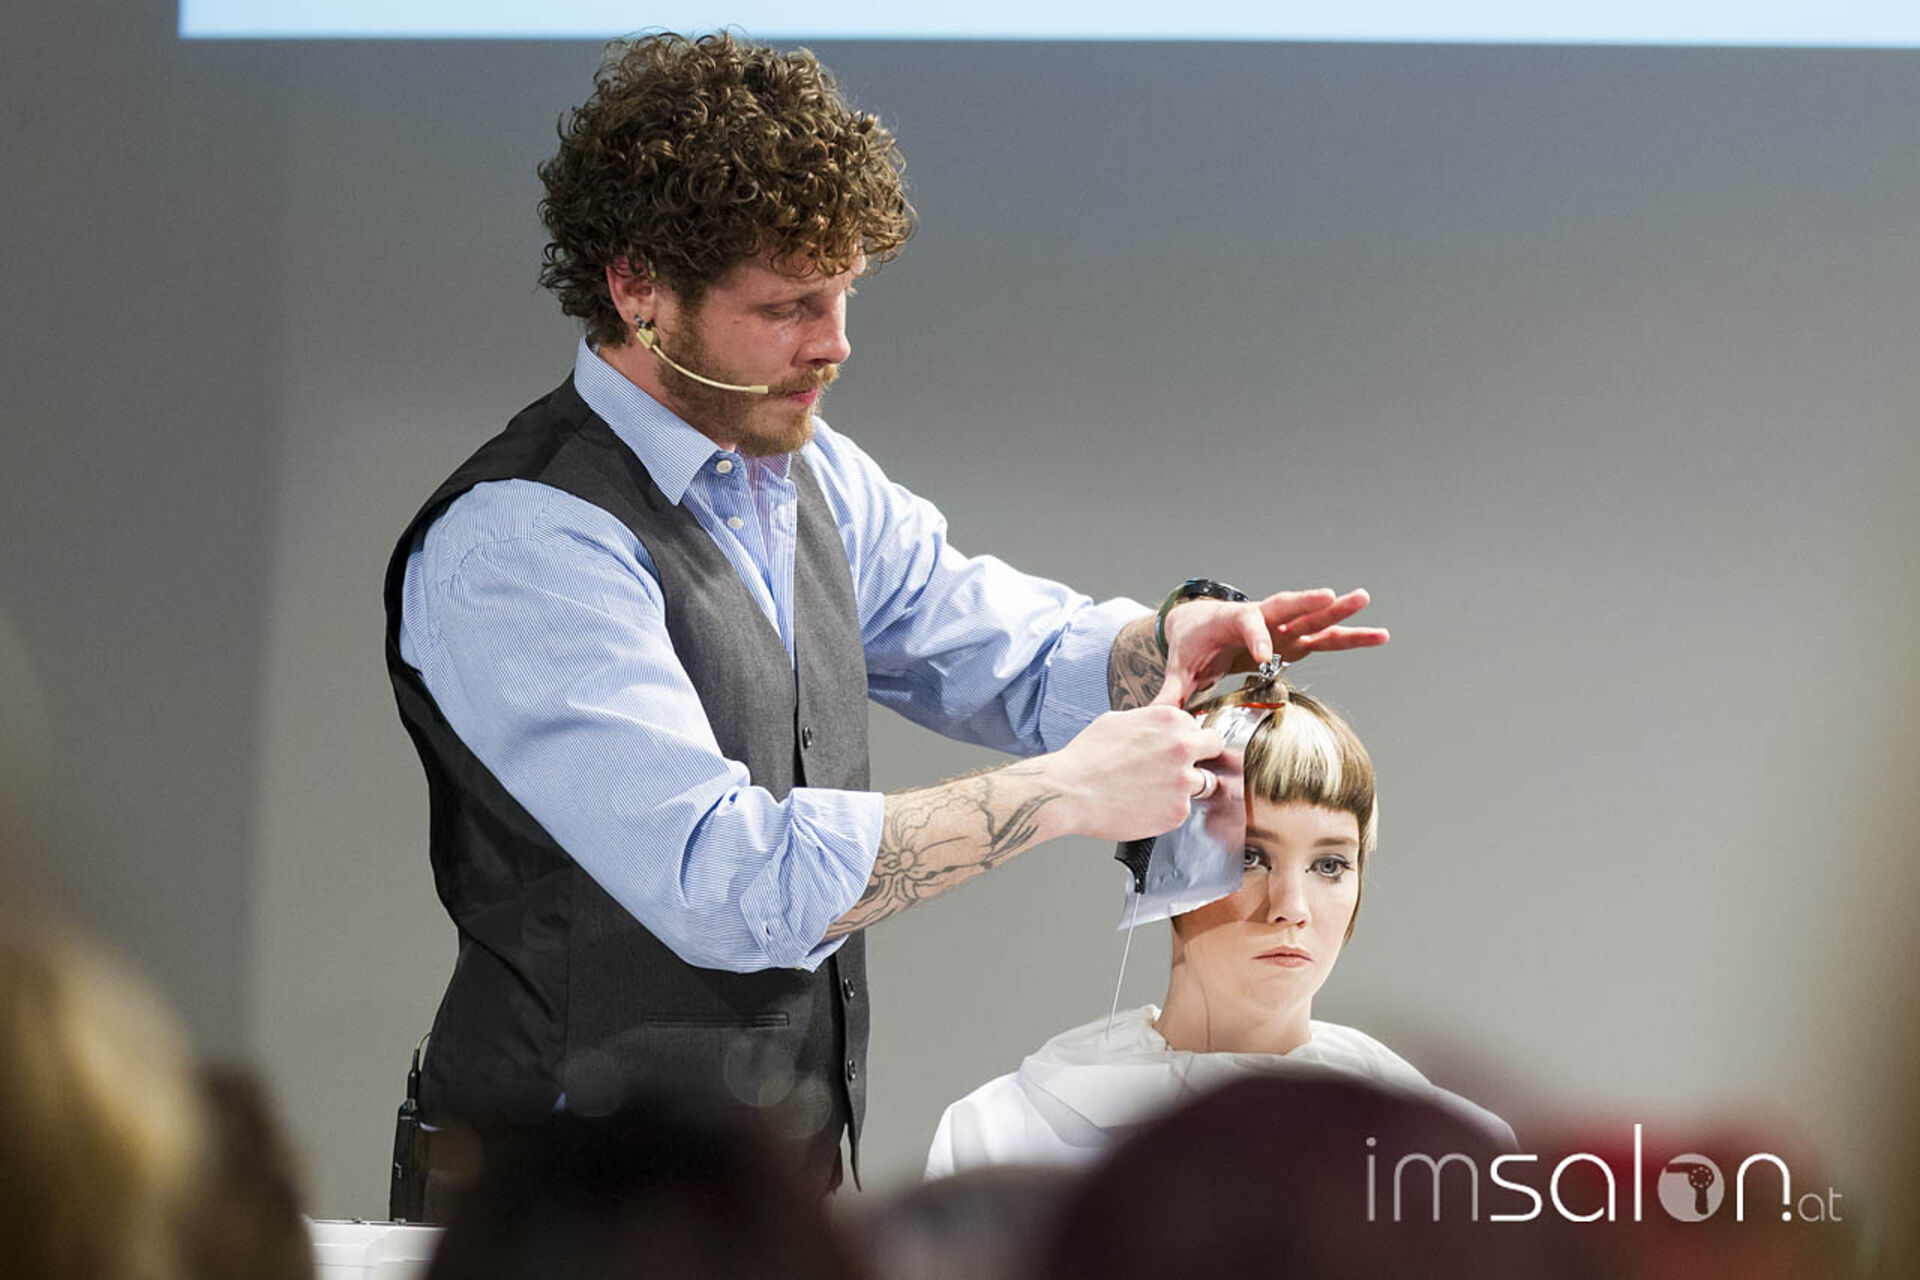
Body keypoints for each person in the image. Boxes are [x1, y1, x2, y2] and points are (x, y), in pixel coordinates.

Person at [384, 31, 1386, 1193]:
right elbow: (724, 877)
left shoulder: (808, 475)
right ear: (638, 288)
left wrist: (1156, 646)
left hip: (767, 1192)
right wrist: (1065, 791)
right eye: (788, 305)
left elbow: (992, 644)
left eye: (845, 292)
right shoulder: (524, 539)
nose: (836, 343)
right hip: (553, 1210)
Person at [926, 677, 1511, 1177]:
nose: (1292, 907)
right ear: (1167, 873)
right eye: (1250, 857)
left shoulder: (1451, 1157)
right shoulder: (1004, 1136)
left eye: (1330, 865)